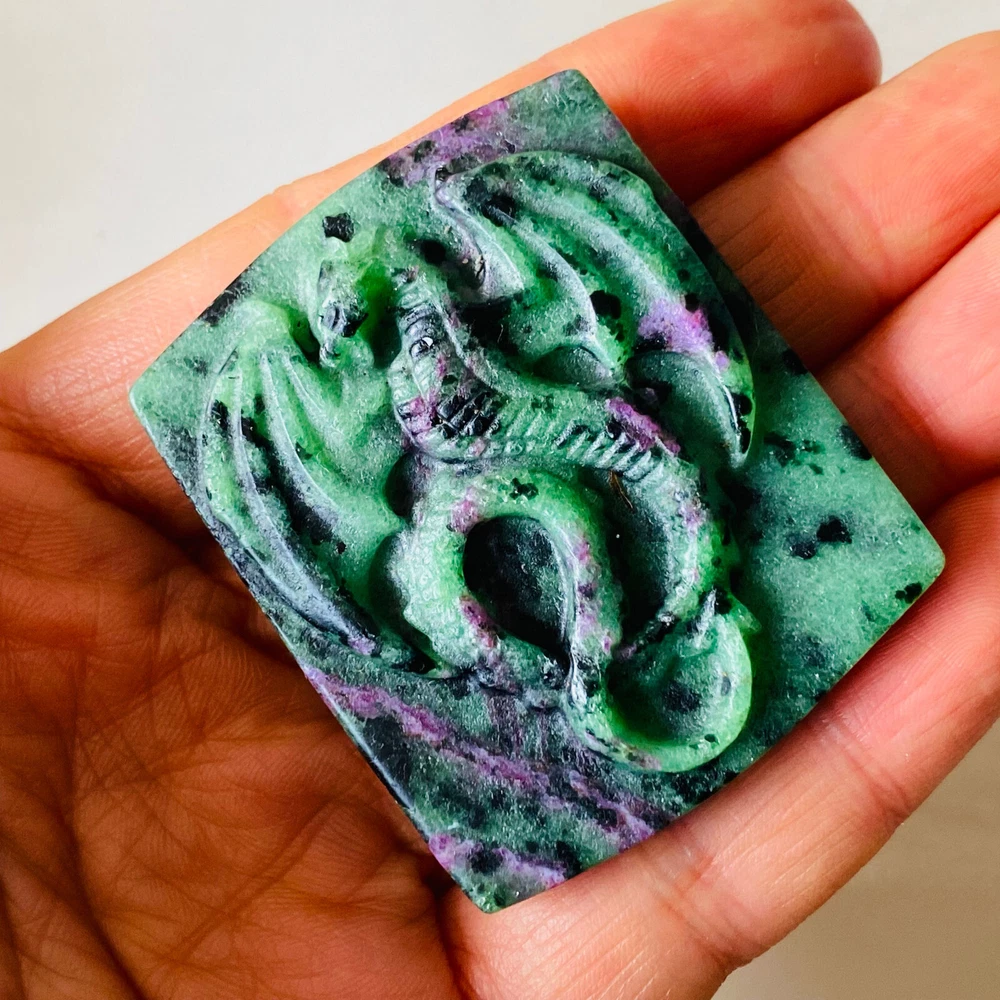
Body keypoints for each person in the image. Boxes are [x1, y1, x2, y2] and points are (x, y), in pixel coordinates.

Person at [1, 0, 998, 996]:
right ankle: (603, 671)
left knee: (606, 515)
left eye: (348, 306)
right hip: (498, 500)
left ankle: (651, 635)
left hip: (580, 439)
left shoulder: (469, 269)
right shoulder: (309, 370)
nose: (339, 324)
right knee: (533, 535)